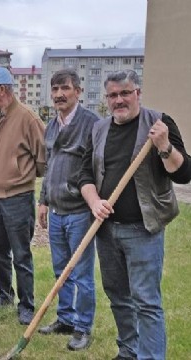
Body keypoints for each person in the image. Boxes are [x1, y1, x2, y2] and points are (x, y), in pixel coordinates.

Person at [78, 70, 191, 360]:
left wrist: (165, 146)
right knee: (118, 296)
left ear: (137, 93)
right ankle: (129, 349)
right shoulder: (99, 129)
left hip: (143, 229)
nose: (119, 100)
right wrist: (94, 202)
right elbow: (84, 175)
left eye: (125, 93)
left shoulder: (159, 124)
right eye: (113, 95)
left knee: (146, 301)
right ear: (107, 99)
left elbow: (184, 173)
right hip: (106, 229)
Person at [0, 66, 46, 325]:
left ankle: (26, 304)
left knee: (21, 253)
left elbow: (43, 158)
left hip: (17, 198)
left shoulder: (29, 118)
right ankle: (4, 295)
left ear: (3, 90)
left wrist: (20, 175)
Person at [36, 69, 99, 351]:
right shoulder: (52, 126)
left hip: (79, 212)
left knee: (82, 274)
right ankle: (65, 318)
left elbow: (99, 170)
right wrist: (43, 200)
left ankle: (83, 327)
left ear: (78, 91)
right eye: (55, 89)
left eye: (65, 88)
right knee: (61, 270)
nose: (59, 94)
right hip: (57, 211)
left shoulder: (92, 125)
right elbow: (49, 167)